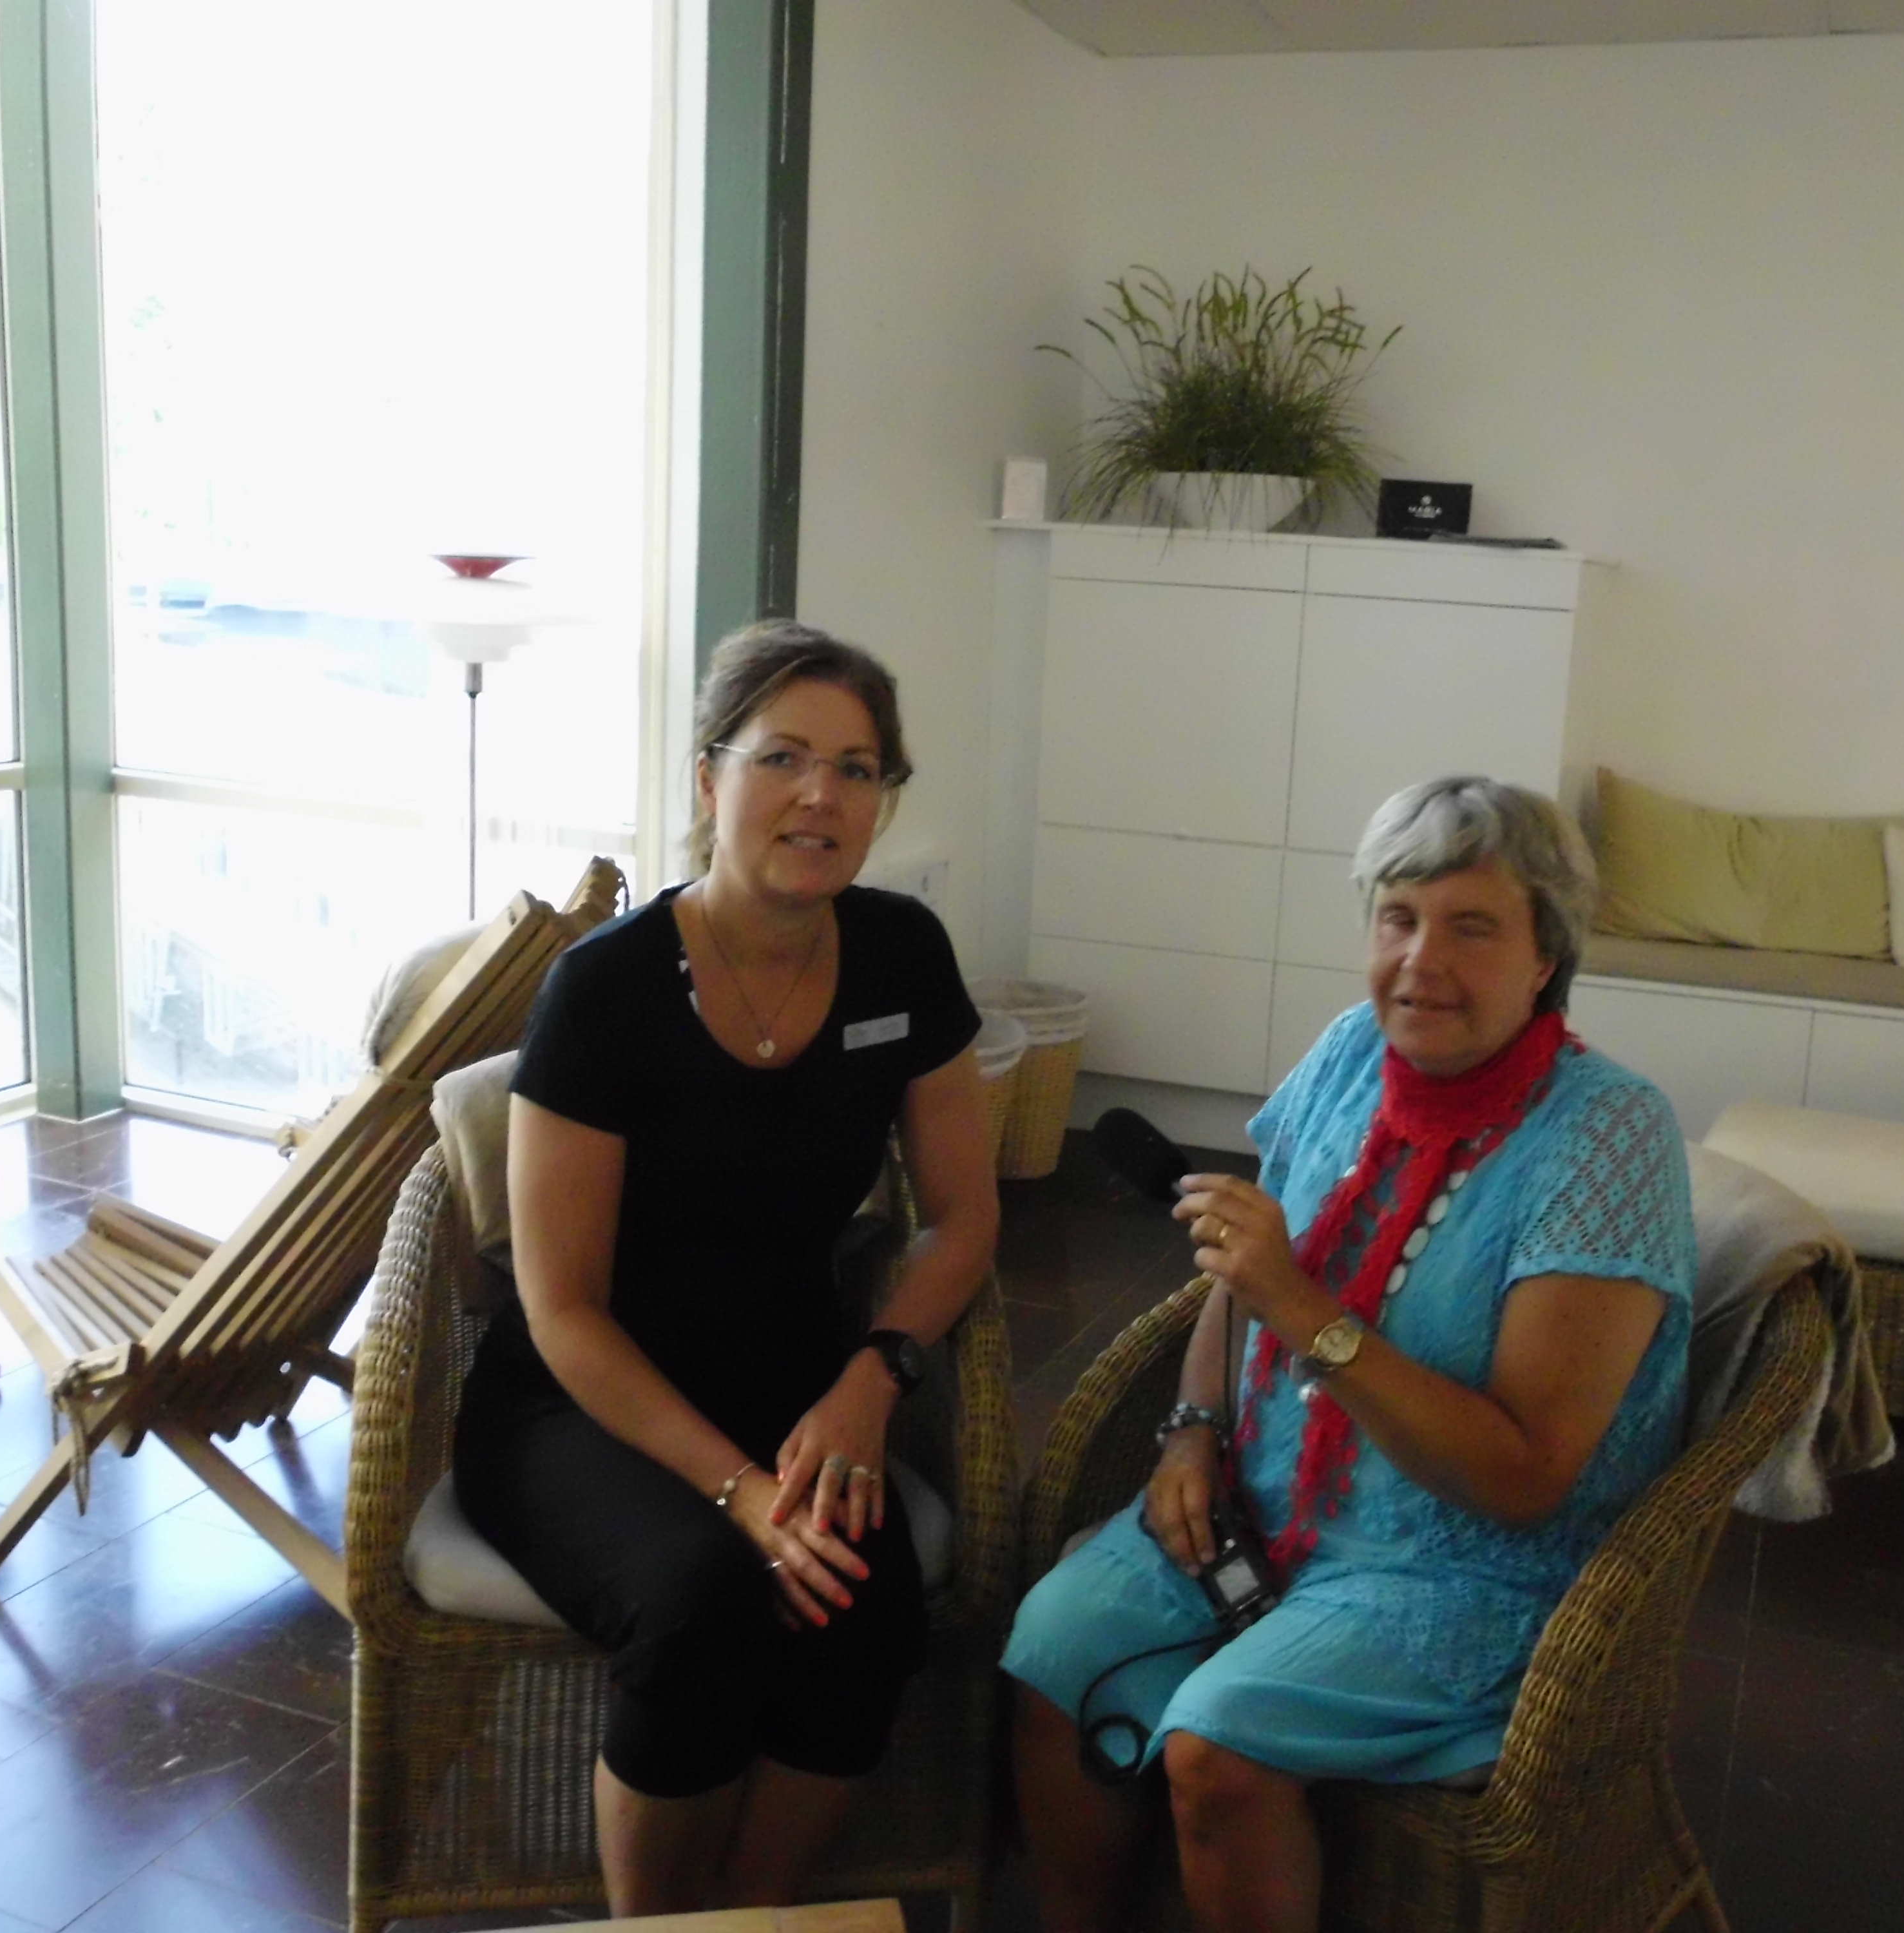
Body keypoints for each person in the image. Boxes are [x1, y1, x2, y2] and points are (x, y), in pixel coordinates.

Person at [1002, 775, 1697, 1933]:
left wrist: (1302, 1307)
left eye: (1472, 927)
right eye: (1398, 917)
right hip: (1264, 1504)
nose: (1422, 960)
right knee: (1052, 1648)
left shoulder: (1609, 1137)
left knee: (1220, 1745)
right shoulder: (1346, 1055)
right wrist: (1192, 1434)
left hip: (1470, 1567)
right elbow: (1242, 1268)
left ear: (1546, 958)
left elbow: (1526, 1477)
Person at [452, 620, 998, 1916]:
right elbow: (563, 1309)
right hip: (578, 1402)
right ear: (710, 780)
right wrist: (743, 1495)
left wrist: (873, 1376)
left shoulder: (902, 955)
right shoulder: (605, 993)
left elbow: (962, 1220)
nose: (821, 796)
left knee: (863, 1606)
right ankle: (659, 1927)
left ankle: (748, 1916)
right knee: (703, 1600)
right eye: (784, 758)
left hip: (795, 1378)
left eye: (857, 769)